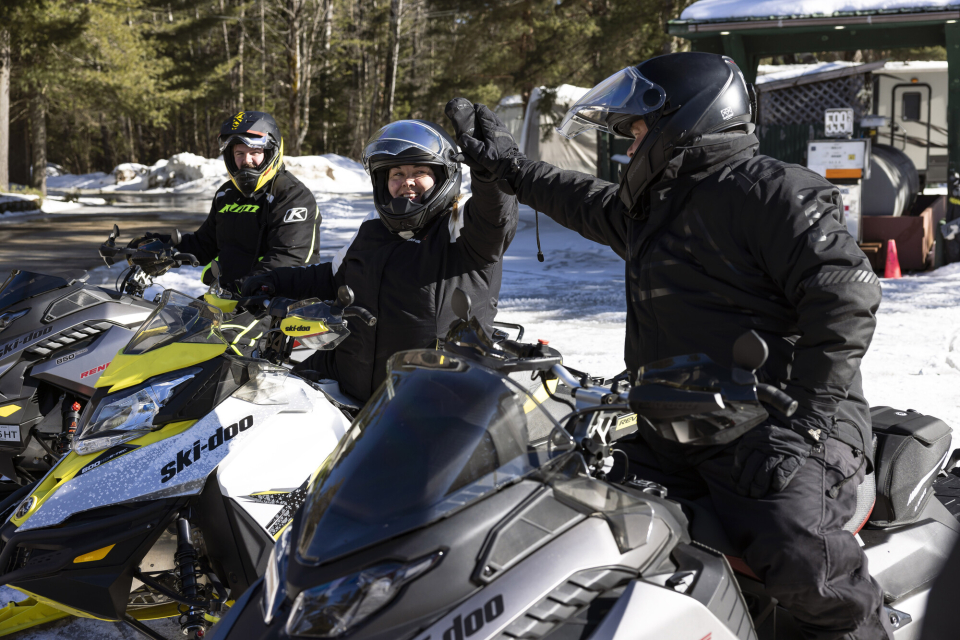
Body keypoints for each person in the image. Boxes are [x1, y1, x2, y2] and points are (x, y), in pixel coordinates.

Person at [449, 52, 890, 639]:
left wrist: (807, 424)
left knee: (802, 559)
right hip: (680, 426)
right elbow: (577, 197)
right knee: (570, 516)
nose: (629, 148)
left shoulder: (774, 191)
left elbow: (846, 299)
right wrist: (506, 165)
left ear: (686, 120)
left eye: (636, 132)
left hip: (782, 426)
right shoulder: (657, 208)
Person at [241, 115, 518, 402]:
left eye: (419, 172)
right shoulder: (374, 227)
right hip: (353, 391)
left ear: (442, 176)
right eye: (396, 174)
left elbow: (496, 218)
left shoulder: (461, 229)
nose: (406, 182)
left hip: (433, 403)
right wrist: (272, 281)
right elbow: (332, 277)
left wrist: (492, 174)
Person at [131, 111, 320, 295]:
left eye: (255, 152)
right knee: (171, 323)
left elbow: (289, 258)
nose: (246, 161)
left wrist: (245, 287)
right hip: (231, 297)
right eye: (239, 153)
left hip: (279, 302)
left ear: (271, 152)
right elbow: (204, 244)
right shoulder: (227, 194)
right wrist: (158, 247)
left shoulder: (293, 196)